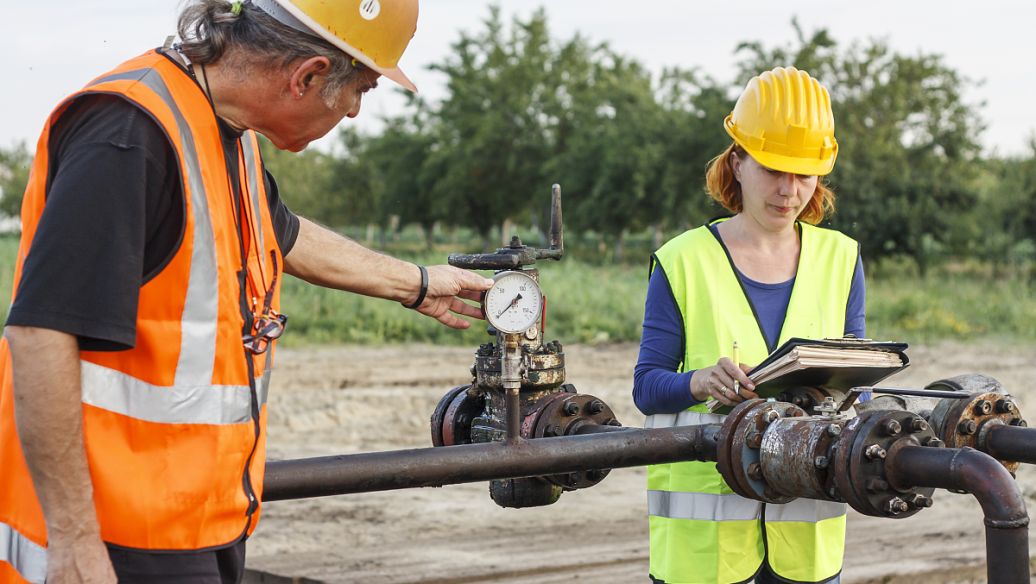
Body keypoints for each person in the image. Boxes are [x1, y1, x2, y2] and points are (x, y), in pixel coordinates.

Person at [0, 1, 493, 582]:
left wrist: (419, 283)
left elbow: (283, 233)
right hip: (115, 538)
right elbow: (39, 334)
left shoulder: (225, 131)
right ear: (307, 75)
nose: (356, 112)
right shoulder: (129, 133)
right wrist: (75, 542)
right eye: (360, 89)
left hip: (199, 520)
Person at [632, 66, 865, 584]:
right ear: (737, 162)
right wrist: (698, 382)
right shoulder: (681, 261)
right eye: (774, 169)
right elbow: (647, 388)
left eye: (804, 174)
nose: (789, 191)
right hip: (704, 551)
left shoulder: (842, 259)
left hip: (806, 538)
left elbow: (857, 388)